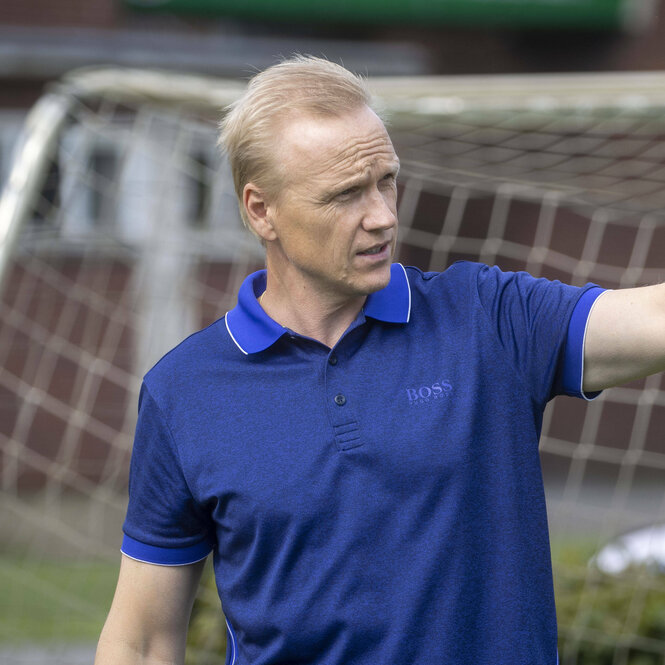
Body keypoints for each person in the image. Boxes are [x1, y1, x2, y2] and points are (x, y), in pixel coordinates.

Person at [94, 56, 665, 665]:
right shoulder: (184, 391)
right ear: (261, 210)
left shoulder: (486, 318)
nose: (383, 216)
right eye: (346, 194)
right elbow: (143, 640)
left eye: (386, 180)